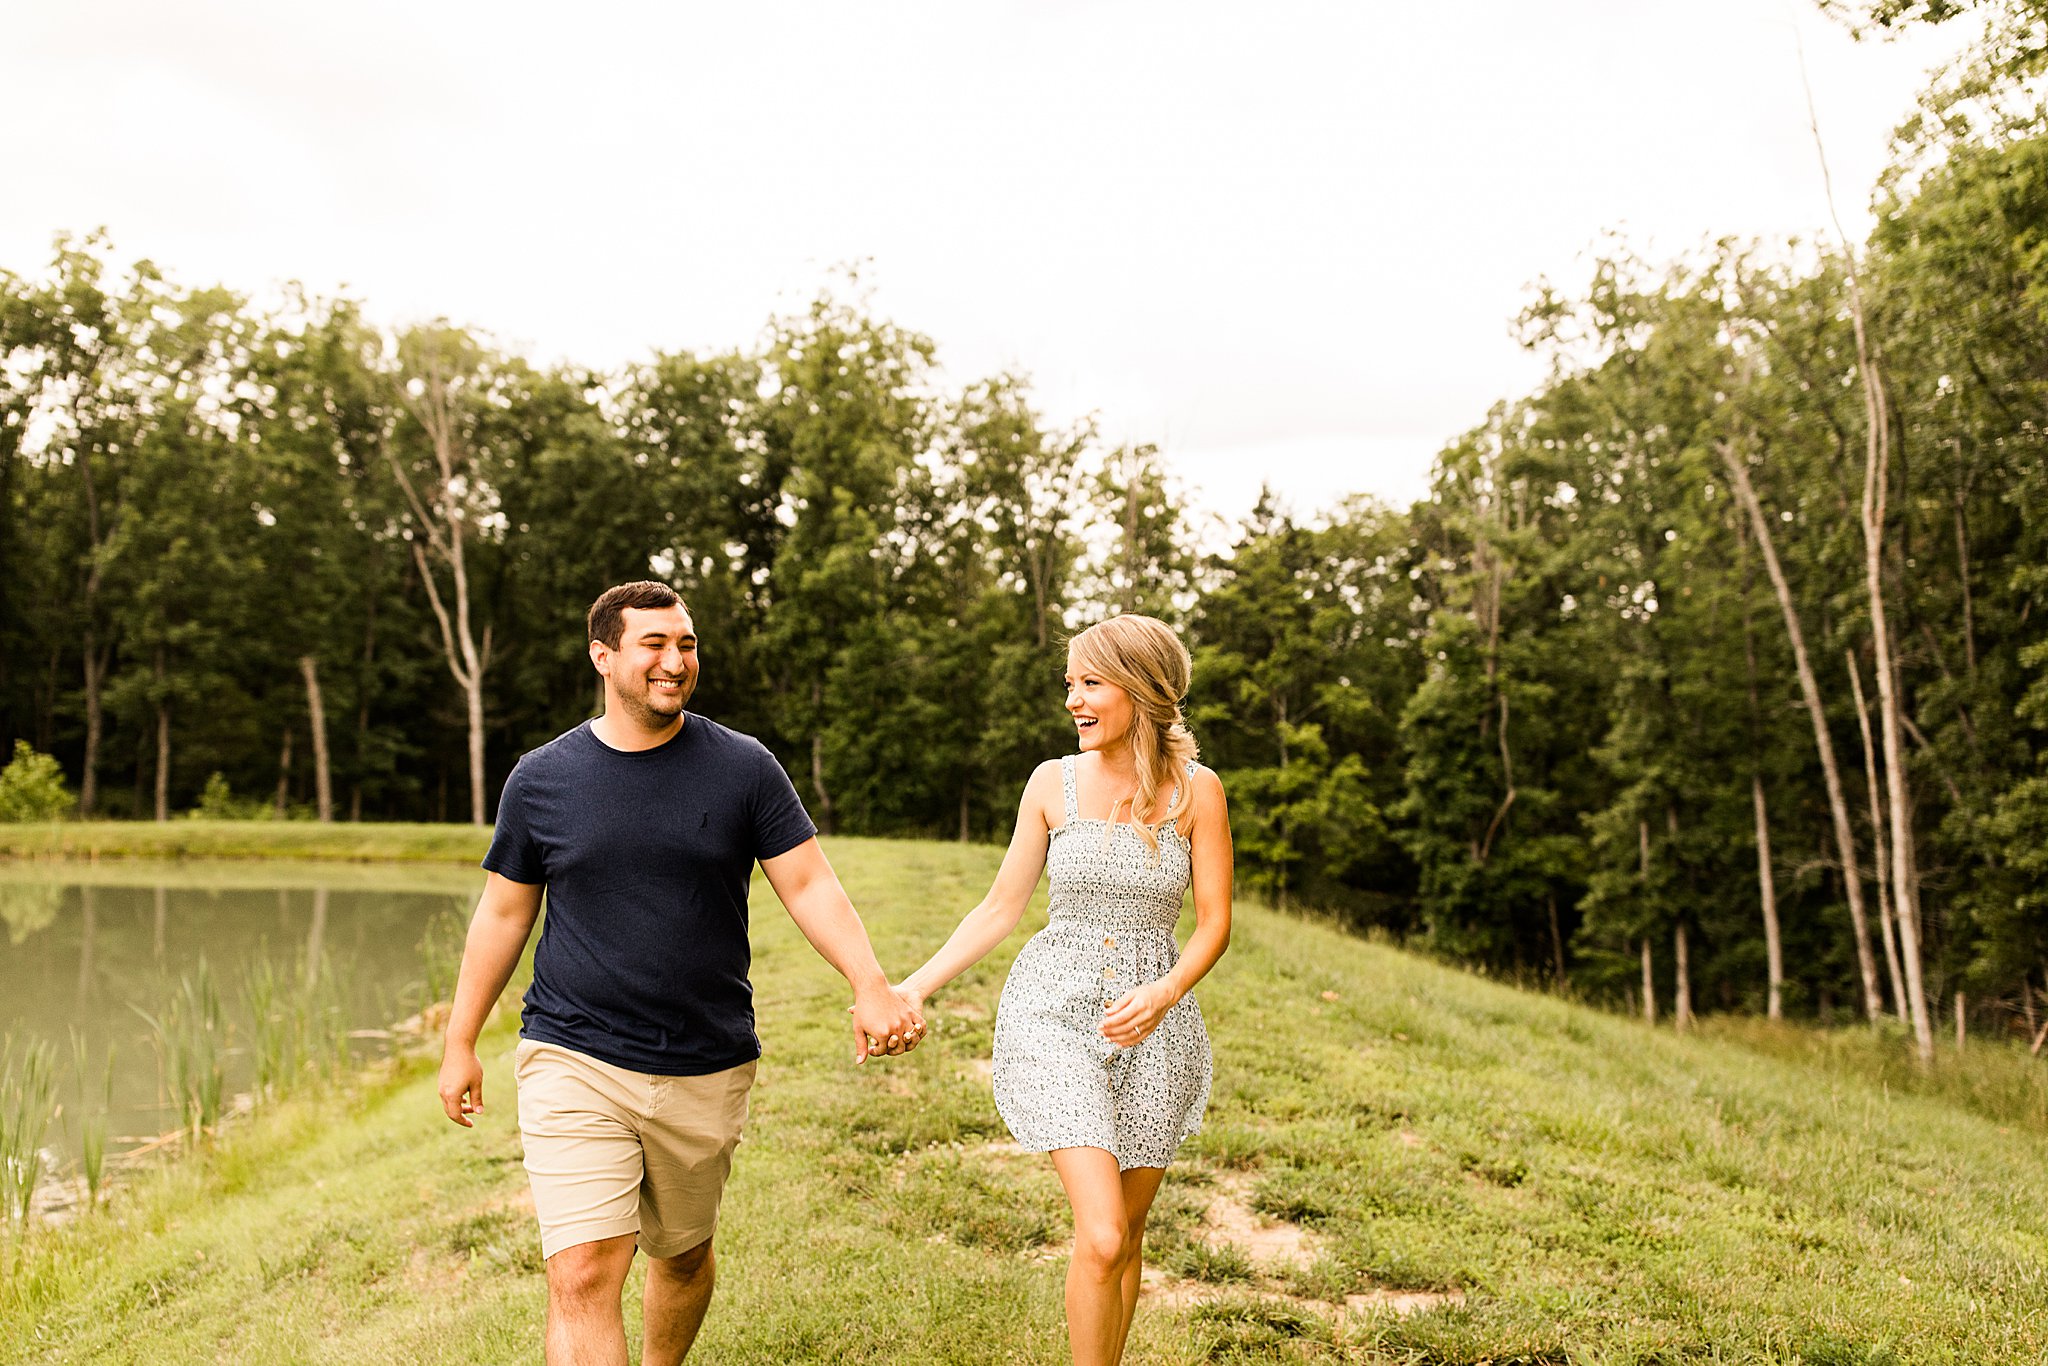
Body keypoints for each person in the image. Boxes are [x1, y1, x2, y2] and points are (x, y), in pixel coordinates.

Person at [436, 580, 924, 1366]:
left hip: (706, 1058)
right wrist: (461, 1039)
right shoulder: (542, 778)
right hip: (574, 1053)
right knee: (584, 1271)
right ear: (603, 656)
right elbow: (503, 913)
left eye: (686, 644)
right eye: (654, 645)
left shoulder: (743, 767)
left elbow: (807, 883)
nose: (675, 661)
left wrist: (870, 983)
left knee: (683, 1256)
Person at [894, 613, 1231, 1366]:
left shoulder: (1199, 793)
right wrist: (912, 987)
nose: (1073, 699)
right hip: (1055, 1011)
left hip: (1154, 1023)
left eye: (1090, 683)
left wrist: (1166, 992)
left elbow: (1214, 924)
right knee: (1103, 1231)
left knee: (1126, 1240)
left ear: (1141, 690)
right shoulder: (1052, 782)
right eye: (1070, 684)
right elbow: (1000, 907)